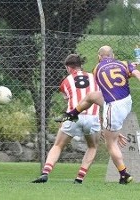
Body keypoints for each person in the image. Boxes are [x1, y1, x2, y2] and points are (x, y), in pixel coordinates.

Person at [60, 45, 140, 184]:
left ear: (99, 57)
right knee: (92, 96)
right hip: (126, 102)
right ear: (113, 55)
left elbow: (108, 83)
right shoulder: (124, 64)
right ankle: (73, 114)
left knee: (111, 143)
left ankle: (124, 174)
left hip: (113, 107)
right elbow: (135, 74)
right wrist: (131, 70)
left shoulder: (96, 69)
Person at [32, 54, 101, 184]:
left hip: (73, 116)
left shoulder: (65, 81)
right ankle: (79, 178)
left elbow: (68, 100)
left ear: (68, 68)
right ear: (81, 65)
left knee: (58, 145)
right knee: (92, 147)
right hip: (92, 116)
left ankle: (45, 172)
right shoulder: (94, 78)